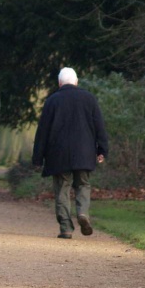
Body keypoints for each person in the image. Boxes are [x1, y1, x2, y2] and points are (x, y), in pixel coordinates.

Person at [31, 67, 108, 238]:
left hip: (58, 154)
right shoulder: (89, 98)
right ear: (76, 82)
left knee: (62, 189)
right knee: (83, 184)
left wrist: (38, 158)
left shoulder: (52, 100)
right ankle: (83, 213)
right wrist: (102, 149)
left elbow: (42, 132)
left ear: (59, 83)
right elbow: (99, 126)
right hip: (84, 151)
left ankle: (65, 227)